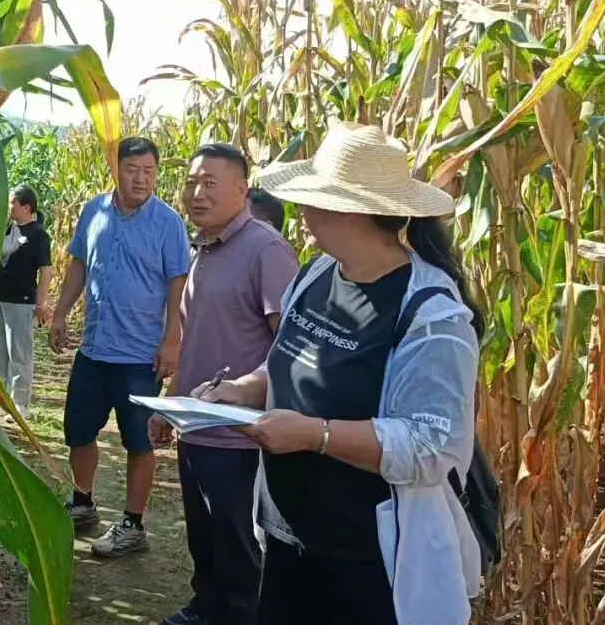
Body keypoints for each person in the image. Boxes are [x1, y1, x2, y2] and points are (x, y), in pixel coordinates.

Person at [195, 123, 483, 625]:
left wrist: (315, 435)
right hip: (287, 534)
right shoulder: (315, 274)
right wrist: (242, 390)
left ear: (347, 210)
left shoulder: (430, 314)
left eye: (311, 200)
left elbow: (432, 445)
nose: (301, 213)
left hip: (367, 555)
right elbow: (291, 362)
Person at [151, 144, 298, 625]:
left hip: (240, 438)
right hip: (196, 428)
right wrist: (170, 403)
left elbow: (291, 349)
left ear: (242, 189)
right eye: (191, 182)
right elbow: (194, 337)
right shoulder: (204, 248)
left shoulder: (265, 250)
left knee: (238, 552)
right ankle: (205, 607)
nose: (196, 193)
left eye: (209, 183)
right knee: (204, 538)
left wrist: (247, 396)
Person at [50, 136, 190, 558]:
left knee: (139, 441)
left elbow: (178, 284)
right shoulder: (94, 211)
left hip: (140, 355)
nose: (141, 179)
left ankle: (133, 524)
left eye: (149, 171)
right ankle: (82, 502)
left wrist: (172, 340)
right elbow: (79, 264)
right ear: (117, 169)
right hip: (94, 348)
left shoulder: (167, 223)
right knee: (78, 431)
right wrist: (60, 313)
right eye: (133, 169)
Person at [0, 185, 52, 417]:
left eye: (12, 203)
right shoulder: (6, 229)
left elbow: (45, 271)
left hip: (22, 301)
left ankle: (20, 402)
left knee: (19, 353)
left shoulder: (38, 235)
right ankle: (1, 399)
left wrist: (41, 304)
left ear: (26, 207)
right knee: (0, 352)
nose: (9, 207)